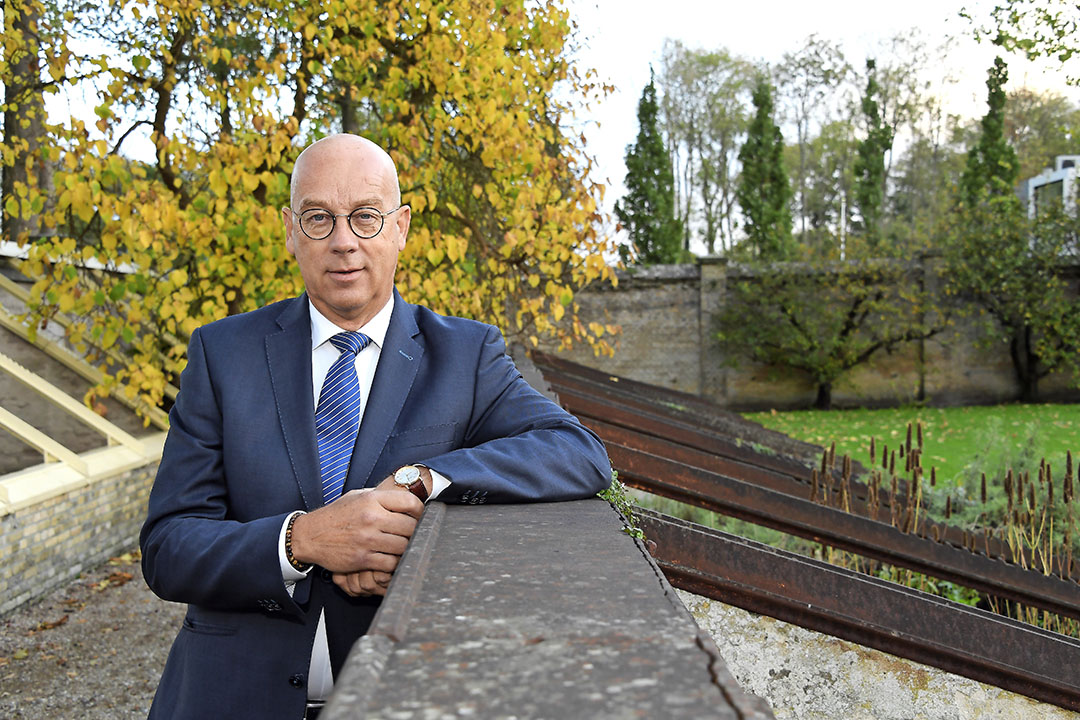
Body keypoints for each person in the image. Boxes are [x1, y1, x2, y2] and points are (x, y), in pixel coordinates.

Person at [140, 133, 611, 719]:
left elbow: (579, 452)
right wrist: (301, 540)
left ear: (401, 227)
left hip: (404, 696)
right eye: (319, 219)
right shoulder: (222, 353)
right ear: (290, 230)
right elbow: (167, 547)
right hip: (229, 697)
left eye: (365, 217)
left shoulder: (465, 355)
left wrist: (420, 489)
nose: (344, 242)